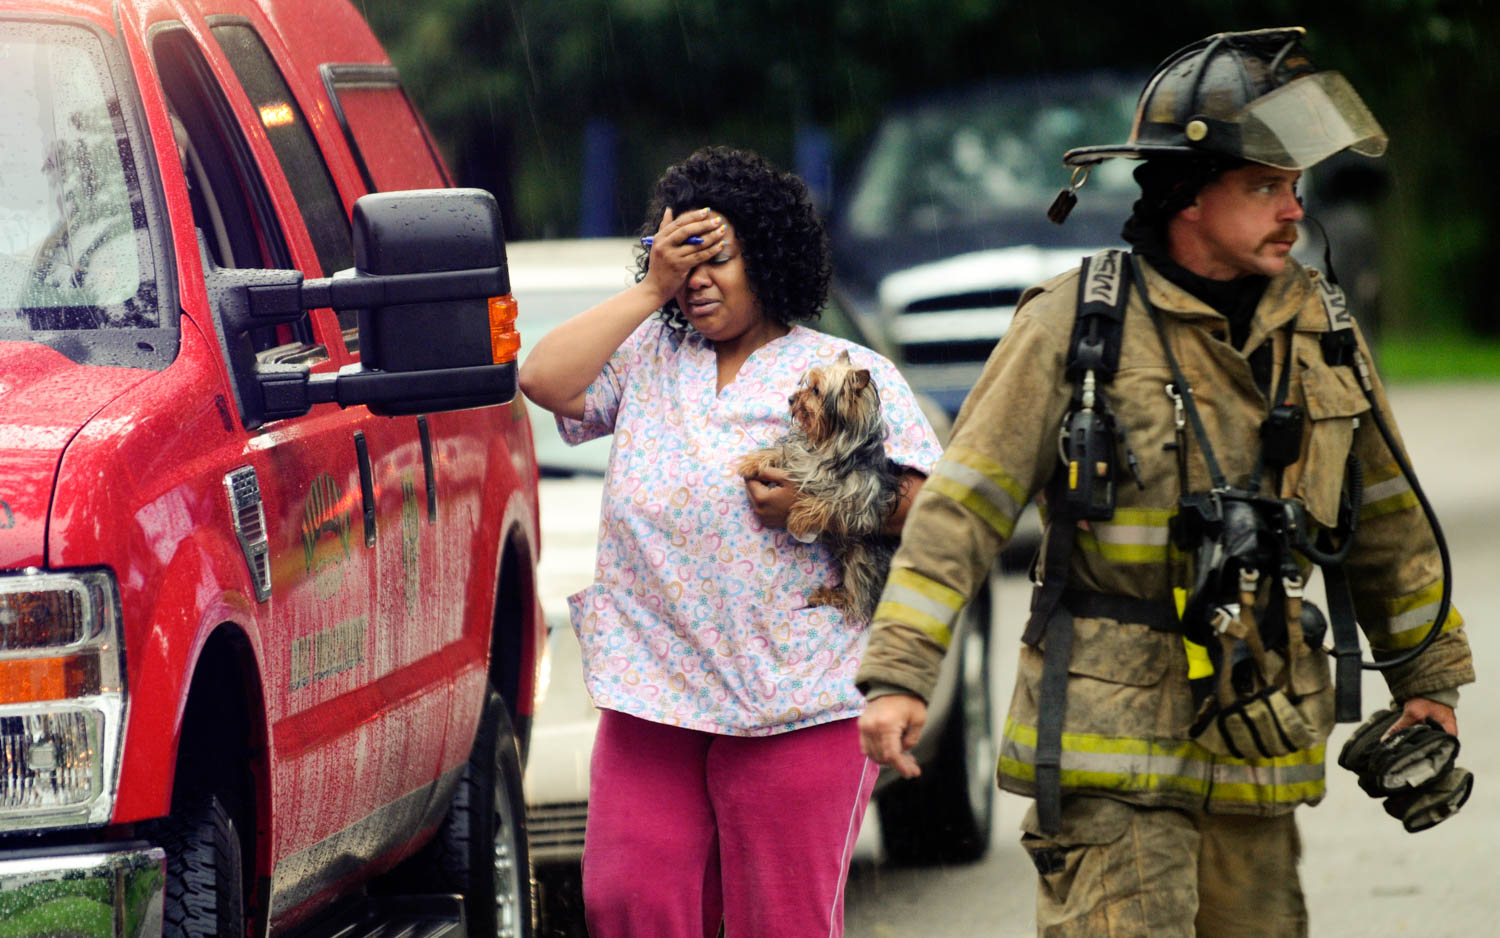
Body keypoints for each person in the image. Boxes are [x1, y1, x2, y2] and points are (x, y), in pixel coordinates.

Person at [855, 27, 1475, 938]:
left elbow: (1387, 521)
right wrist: (900, 673)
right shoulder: (1076, 324)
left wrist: (1427, 681)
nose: (1292, 212)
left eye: (1296, 187)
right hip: (1109, 745)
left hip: (1258, 738)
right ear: (1187, 196)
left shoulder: (1322, 328)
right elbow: (961, 509)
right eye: (1264, 187)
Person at [519, 145, 941, 938]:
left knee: (778, 922)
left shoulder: (844, 368)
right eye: (681, 260)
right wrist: (648, 290)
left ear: (769, 258)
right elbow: (544, 379)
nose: (698, 280)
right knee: (630, 904)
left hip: (795, 697)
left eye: (719, 258)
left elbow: (930, 507)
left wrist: (822, 498)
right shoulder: (649, 356)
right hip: (656, 694)